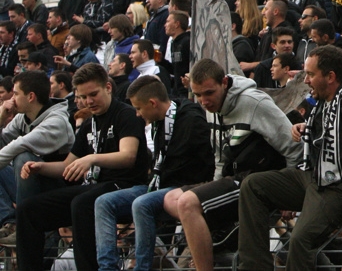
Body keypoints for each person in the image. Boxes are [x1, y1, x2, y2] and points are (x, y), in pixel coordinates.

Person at [236, 46, 342, 271]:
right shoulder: (323, 100)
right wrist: (307, 129)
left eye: (311, 75)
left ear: (331, 77)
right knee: (253, 186)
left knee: (301, 240)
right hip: (313, 176)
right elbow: (330, 135)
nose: (307, 81)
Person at [161, 59, 302, 271]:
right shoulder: (211, 107)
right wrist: (213, 190)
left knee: (187, 204)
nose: (203, 101)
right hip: (233, 177)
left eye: (208, 93)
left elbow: (293, 147)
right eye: (198, 95)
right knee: (171, 199)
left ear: (224, 83)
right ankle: (222, 237)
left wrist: (287, 194)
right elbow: (219, 157)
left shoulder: (253, 102)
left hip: (259, 182)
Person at [16, 63, 152, 271]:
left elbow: (128, 156)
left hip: (125, 185)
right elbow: (67, 166)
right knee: (29, 210)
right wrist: (39, 167)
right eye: (82, 97)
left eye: (93, 94)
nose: (89, 101)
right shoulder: (89, 123)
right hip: (93, 188)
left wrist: (92, 159)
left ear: (108, 87)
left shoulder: (125, 114)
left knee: (82, 203)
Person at [93, 75, 214, 271]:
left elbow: (201, 167)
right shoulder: (158, 122)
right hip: (157, 185)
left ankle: (143, 267)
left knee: (142, 203)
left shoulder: (191, 119)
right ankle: (107, 268)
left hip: (183, 188)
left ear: (152, 103)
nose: (138, 114)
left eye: (139, 108)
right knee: (104, 202)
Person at [0, 71, 74, 245]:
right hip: (32, 182)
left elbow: (18, 145)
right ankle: (10, 221)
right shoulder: (22, 118)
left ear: (31, 96)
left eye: (16, 94)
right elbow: (3, 143)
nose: (11, 99)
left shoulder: (56, 122)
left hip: (59, 186)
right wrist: (1, 117)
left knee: (23, 157)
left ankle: (22, 225)